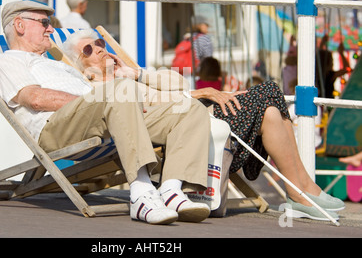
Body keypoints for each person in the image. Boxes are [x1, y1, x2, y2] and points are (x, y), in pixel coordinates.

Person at [62, 29, 345, 222]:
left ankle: (304, 189)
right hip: (183, 120)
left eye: (101, 43)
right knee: (267, 94)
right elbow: (155, 109)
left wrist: (136, 73)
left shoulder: (130, 77)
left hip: (192, 111)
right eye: (89, 49)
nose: (100, 49)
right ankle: (301, 193)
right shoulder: (96, 91)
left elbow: (178, 84)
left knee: (270, 103)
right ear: (79, 64)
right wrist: (200, 94)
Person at [0, 0, 212, 225]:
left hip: (98, 119)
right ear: (19, 25)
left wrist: (119, 102)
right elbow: (35, 99)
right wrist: (103, 101)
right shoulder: (8, 61)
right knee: (117, 90)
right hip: (56, 129)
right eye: (44, 22)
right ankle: (142, 194)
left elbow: (102, 96)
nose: (51, 28)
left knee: (188, 110)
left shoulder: (56, 65)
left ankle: (171, 190)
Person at [316, 34, 351, 98]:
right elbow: (347, 69)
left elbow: (320, 57)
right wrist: (341, 53)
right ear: (328, 63)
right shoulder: (329, 75)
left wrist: (322, 43)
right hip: (328, 102)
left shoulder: (317, 73)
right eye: (332, 60)